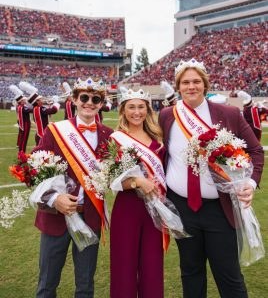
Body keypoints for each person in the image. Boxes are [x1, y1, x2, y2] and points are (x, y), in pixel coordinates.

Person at [159, 58, 264, 298]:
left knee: (228, 274)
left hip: (221, 208)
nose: (191, 86)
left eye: (196, 81)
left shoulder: (228, 114)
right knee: (190, 272)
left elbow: (256, 151)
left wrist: (249, 182)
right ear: (178, 86)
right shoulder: (167, 115)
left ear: (205, 85)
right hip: (182, 208)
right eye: (185, 82)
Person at [33, 77, 113, 298]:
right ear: (74, 100)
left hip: (89, 217)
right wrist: (53, 198)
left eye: (95, 99)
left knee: (85, 285)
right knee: (47, 284)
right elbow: (35, 169)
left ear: (101, 103)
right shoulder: (55, 130)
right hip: (55, 217)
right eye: (84, 97)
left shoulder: (108, 134)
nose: (89, 102)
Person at [109, 88, 167, 298]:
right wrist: (137, 182)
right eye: (131, 107)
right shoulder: (116, 138)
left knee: (152, 266)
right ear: (123, 111)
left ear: (147, 109)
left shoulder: (158, 138)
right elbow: (109, 181)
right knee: (124, 266)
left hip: (155, 207)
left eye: (141, 107)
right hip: (127, 208)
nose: (136, 112)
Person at [9, 84, 33, 152]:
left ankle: (19, 146)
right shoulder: (22, 107)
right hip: (24, 122)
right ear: (21, 101)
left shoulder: (19, 106)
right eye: (23, 100)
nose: (25, 101)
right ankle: (21, 150)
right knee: (24, 137)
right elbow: (31, 110)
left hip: (21, 121)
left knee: (21, 135)